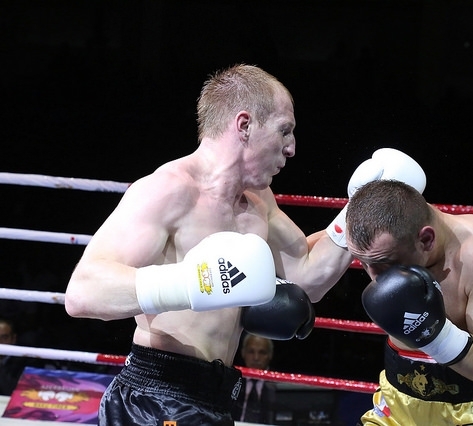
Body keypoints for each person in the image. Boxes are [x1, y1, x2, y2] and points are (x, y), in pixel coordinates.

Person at [64, 63, 425, 425]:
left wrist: (361, 206)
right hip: (154, 399)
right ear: (244, 125)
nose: (291, 148)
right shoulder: (169, 190)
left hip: (216, 395)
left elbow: (308, 276)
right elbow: (82, 293)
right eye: (284, 130)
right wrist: (195, 283)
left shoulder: (258, 200)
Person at [345, 179, 473, 426]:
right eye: (362, 263)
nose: (375, 278)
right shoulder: (383, 228)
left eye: (386, 263)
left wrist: (433, 335)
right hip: (399, 401)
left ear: (426, 239)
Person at [231, 334, 276, 423]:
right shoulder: (233, 380)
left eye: (262, 352)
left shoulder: (278, 384)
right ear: (243, 353)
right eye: (251, 352)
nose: (256, 358)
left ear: (270, 355)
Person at [0, 317, 25, 395]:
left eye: (4, 337)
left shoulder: (23, 362)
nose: (0, 342)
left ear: (13, 339)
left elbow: (11, 391)